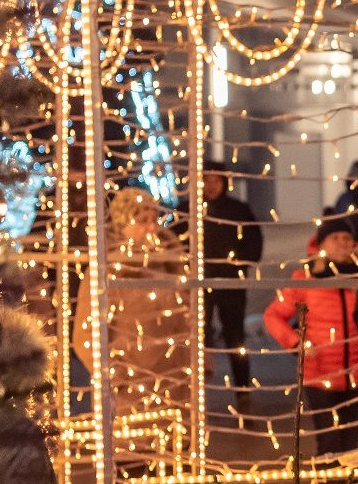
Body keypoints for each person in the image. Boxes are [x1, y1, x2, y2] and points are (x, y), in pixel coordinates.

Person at [76, 187, 193, 422]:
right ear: (122, 225)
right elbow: (84, 336)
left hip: (175, 398)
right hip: (130, 400)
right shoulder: (107, 272)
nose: (152, 228)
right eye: (142, 221)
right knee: (135, 457)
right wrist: (117, 377)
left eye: (154, 219)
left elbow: (190, 321)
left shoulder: (172, 266)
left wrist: (196, 366)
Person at [264, 217, 358, 455]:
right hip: (320, 375)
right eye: (334, 238)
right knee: (329, 443)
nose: (342, 243)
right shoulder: (306, 278)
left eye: (347, 238)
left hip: (356, 375)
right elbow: (272, 315)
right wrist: (296, 343)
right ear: (321, 244)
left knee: (350, 444)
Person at [200, 162, 264, 395]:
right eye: (206, 181)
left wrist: (240, 264)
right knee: (197, 336)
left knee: (234, 336)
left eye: (216, 181)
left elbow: (254, 241)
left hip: (231, 283)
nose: (210, 186)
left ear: (224, 183)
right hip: (199, 283)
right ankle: (194, 393)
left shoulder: (238, 210)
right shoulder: (189, 210)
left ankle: (242, 389)